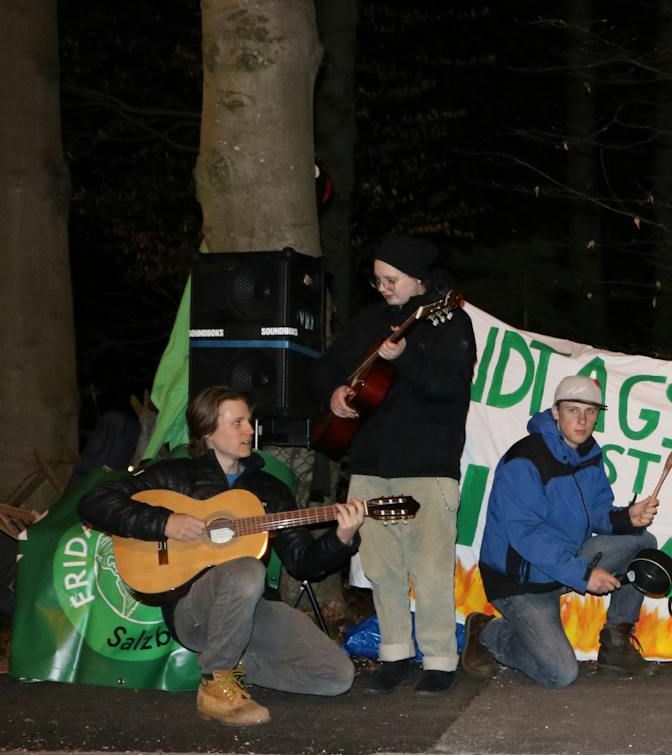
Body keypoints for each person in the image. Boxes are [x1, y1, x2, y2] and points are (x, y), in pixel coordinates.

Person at [78, 387, 362, 726]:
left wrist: (342, 537)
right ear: (208, 430)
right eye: (237, 422)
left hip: (253, 607)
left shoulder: (270, 490)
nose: (248, 430)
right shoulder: (174, 476)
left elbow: (303, 562)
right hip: (193, 610)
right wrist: (164, 522)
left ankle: (238, 667)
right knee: (245, 570)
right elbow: (94, 502)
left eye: (250, 421)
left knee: (336, 677)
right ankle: (215, 682)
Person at [313, 234, 475, 694]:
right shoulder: (371, 321)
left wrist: (405, 359)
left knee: (429, 570)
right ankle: (394, 655)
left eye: (391, 279)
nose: (382, 287)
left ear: (417, 279)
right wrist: (333, 392)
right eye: (377, 279)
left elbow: (450, 388)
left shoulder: (448, 321)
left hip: (428, 468)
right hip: (369, 465)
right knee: (382, 570)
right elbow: (326, 366)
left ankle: (441, 660)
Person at [461, 375, 660, 687]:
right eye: (573, 410)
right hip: (521, 581)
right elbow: (526, 537)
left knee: (643, 543)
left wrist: (628, 518)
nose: (582, 420)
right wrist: (583, 575)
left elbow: (597, 512)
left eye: (590, 412)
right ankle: (485, 631)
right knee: (560, 673)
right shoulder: (524, 459)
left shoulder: (589, 453)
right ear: (555, 412)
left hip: (563, 564)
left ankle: (616, 644)